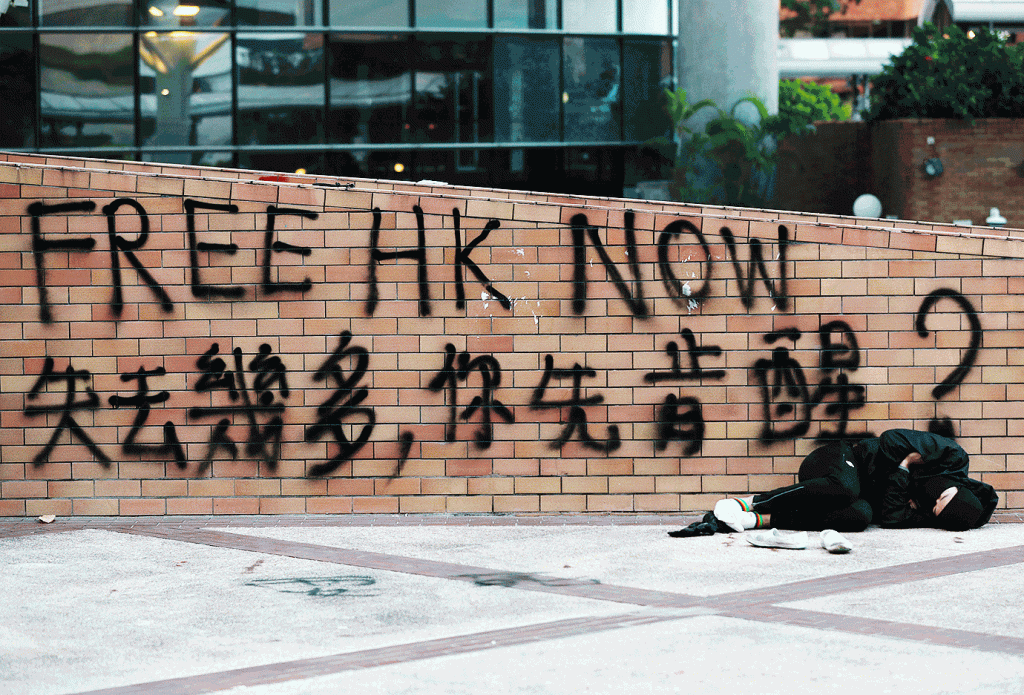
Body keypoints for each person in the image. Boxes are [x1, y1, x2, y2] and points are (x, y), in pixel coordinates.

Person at [706, 429, 999, 549]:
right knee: (847, 488)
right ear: (959, 489)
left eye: (936, 508)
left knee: (860, 516)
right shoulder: (952, 458)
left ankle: (757, 520)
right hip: (837, 460)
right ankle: (750, 502)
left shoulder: (930, 509)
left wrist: (904, 468)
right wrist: (903, 468)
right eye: (942, 496)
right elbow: (890, 440)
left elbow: (891, 518)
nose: (933, 500)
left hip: (843, 491)